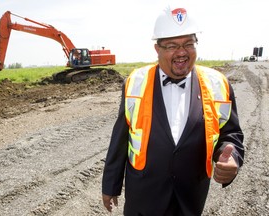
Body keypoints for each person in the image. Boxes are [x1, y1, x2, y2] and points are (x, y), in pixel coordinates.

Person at [102, 5, 244, 216]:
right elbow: (121, 137)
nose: (181, 52)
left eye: (189, 44)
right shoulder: (135, 82)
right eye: (171, 46)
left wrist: (232, 159)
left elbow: (230, 133)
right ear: (157, 49)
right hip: (143, 195)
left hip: (190, 196)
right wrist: (110, 185)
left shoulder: (218, 84)